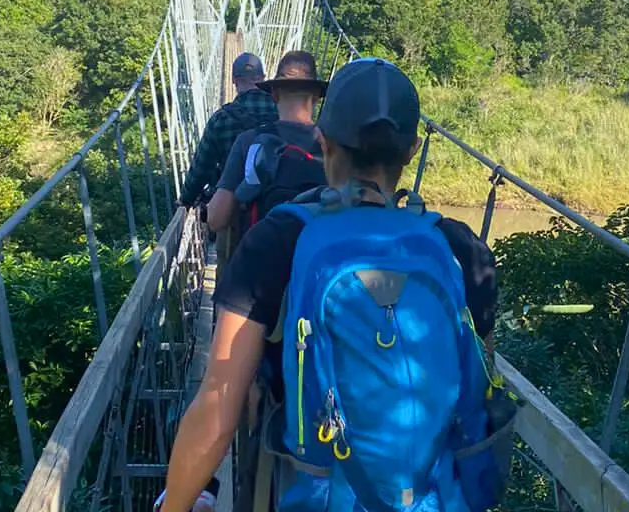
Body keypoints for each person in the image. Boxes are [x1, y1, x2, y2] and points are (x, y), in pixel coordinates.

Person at [158, 58, 509, 512]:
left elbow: (218, 408)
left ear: (322, 140)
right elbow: (478, 387)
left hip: (309, 489)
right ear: (412, 150)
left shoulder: (279, 238)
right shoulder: (461, 248)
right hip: (434, 497)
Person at [206, 50, 328, 237]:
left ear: (274, 94)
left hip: (262, 251)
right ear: (317, 96)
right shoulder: (334, 146)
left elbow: (216, 219)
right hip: (316, 252)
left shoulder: (249, 141)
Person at [178, 53, 279, 211]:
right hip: (276, 207)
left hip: (234, 211)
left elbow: (201, 169)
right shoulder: (282, 113)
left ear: (234, 80)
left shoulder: (221, 119)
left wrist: (185, 200)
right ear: (263, 78)